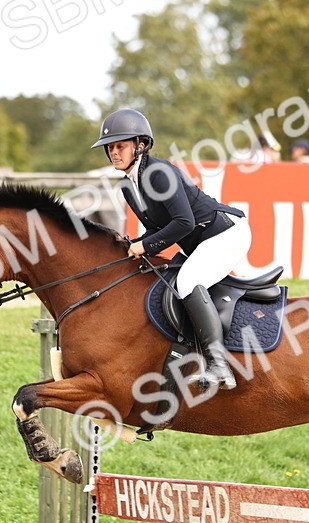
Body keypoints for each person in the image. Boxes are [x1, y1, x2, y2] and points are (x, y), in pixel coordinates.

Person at [92, 108, 251, 390]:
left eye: (120, 146)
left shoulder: (159, 173)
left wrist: (145, 245)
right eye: (110, 148)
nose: (114, 153)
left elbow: (184, 223)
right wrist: (130, 244)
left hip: (227, 233)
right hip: (202, 241)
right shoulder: (129, 187)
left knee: (189, 281)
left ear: (140, 145)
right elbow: (156, 227)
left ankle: (220, 366)